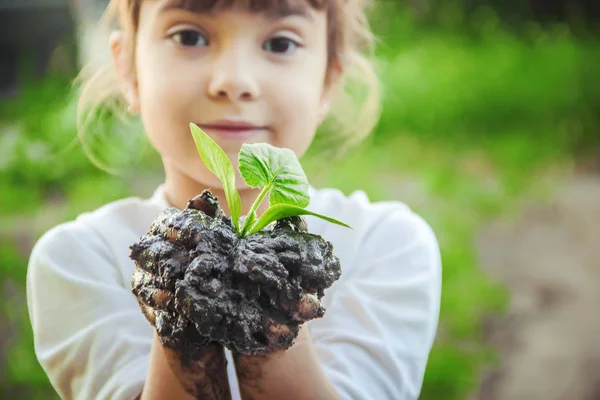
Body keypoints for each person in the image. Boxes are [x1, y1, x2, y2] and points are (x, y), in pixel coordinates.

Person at [26, 0, 442, 399]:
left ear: (329, 81)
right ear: (128, 69)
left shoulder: (389, 246)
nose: (234, 81)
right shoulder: (78, 260)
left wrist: (268, 283)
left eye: (281, 43)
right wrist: (182, 288)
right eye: (189, 36)